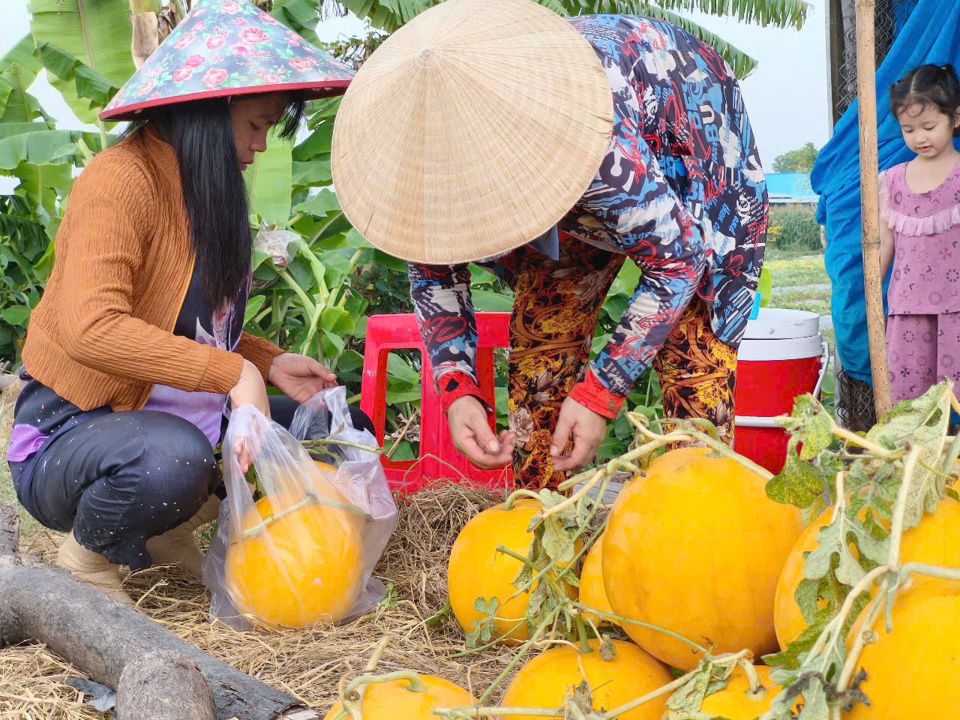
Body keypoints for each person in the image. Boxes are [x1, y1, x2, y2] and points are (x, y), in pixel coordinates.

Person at [4, 0, 366, 605]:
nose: (259, 148)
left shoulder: (205, 192)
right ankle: (87, 562)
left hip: (171, 426)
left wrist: (267, 360)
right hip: (72, 435)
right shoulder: (120, 180)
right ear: (207, 111)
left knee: (332, 429)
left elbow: (188, 327)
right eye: (254, 126)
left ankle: (160, 534)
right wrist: (234, 372)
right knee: (174, 459)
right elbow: (91, 327)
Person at [330, 0, 768, 489]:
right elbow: (432, 265)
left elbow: (680, 259)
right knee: (541, 353)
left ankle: (697, 533)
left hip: (696, 158)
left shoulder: (601, 151)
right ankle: (542, 529)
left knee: (695, 373)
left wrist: (602, 392)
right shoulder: (425, 155)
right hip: (596, 182)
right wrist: (457, 387)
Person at [880, 64, 960, 404]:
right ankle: (912, 458)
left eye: (929, 126)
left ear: (955, 118)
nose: (919, 137)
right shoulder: (890, 180)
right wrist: (870, 295)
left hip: (958, 306)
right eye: (908, 129)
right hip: (907, 312)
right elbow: (883, 244)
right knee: (909, 407)